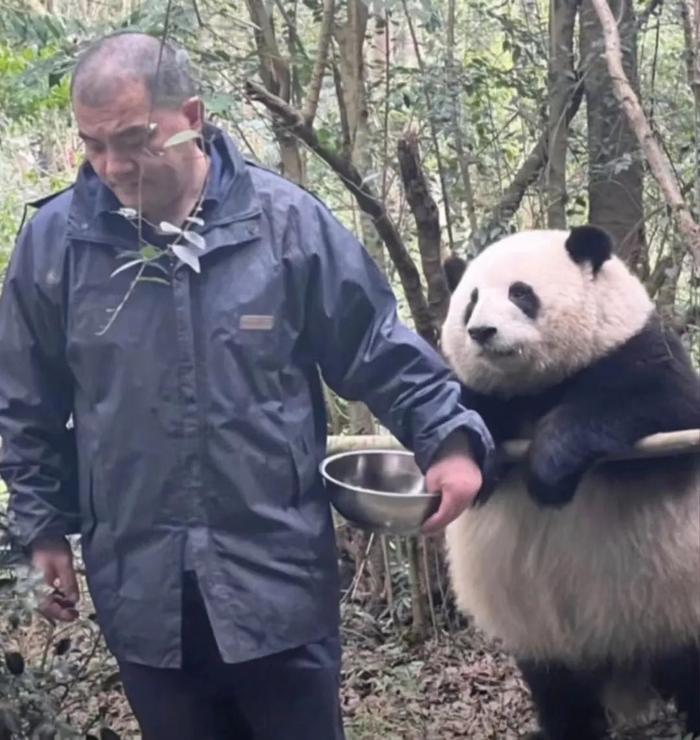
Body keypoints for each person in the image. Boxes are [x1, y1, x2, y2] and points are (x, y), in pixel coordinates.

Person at [0, 32, 493, 740]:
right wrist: (43, 526)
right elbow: (27, 400)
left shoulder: (284, 225)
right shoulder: (57, 245)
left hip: (276, 582)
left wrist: (448, 438)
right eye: (92, 144)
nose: (112, 165)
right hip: (140, 588)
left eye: (134, 139)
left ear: (191, 116)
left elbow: (374, 344)